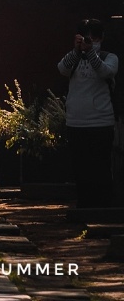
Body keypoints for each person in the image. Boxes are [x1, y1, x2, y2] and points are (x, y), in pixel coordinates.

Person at [58, 18, 118, 209]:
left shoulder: (110, 57)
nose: (90, 40)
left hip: (101, 122)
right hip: (76, 122)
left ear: (102, 38)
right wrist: (77, 51)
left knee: (101, 166)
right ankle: (84, 205)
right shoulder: (74, 57)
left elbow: (106, 72)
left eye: (94, 37)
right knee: (80, 167)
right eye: (86, 36)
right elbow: (62, 69)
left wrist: (91, 52)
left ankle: (103, 205)